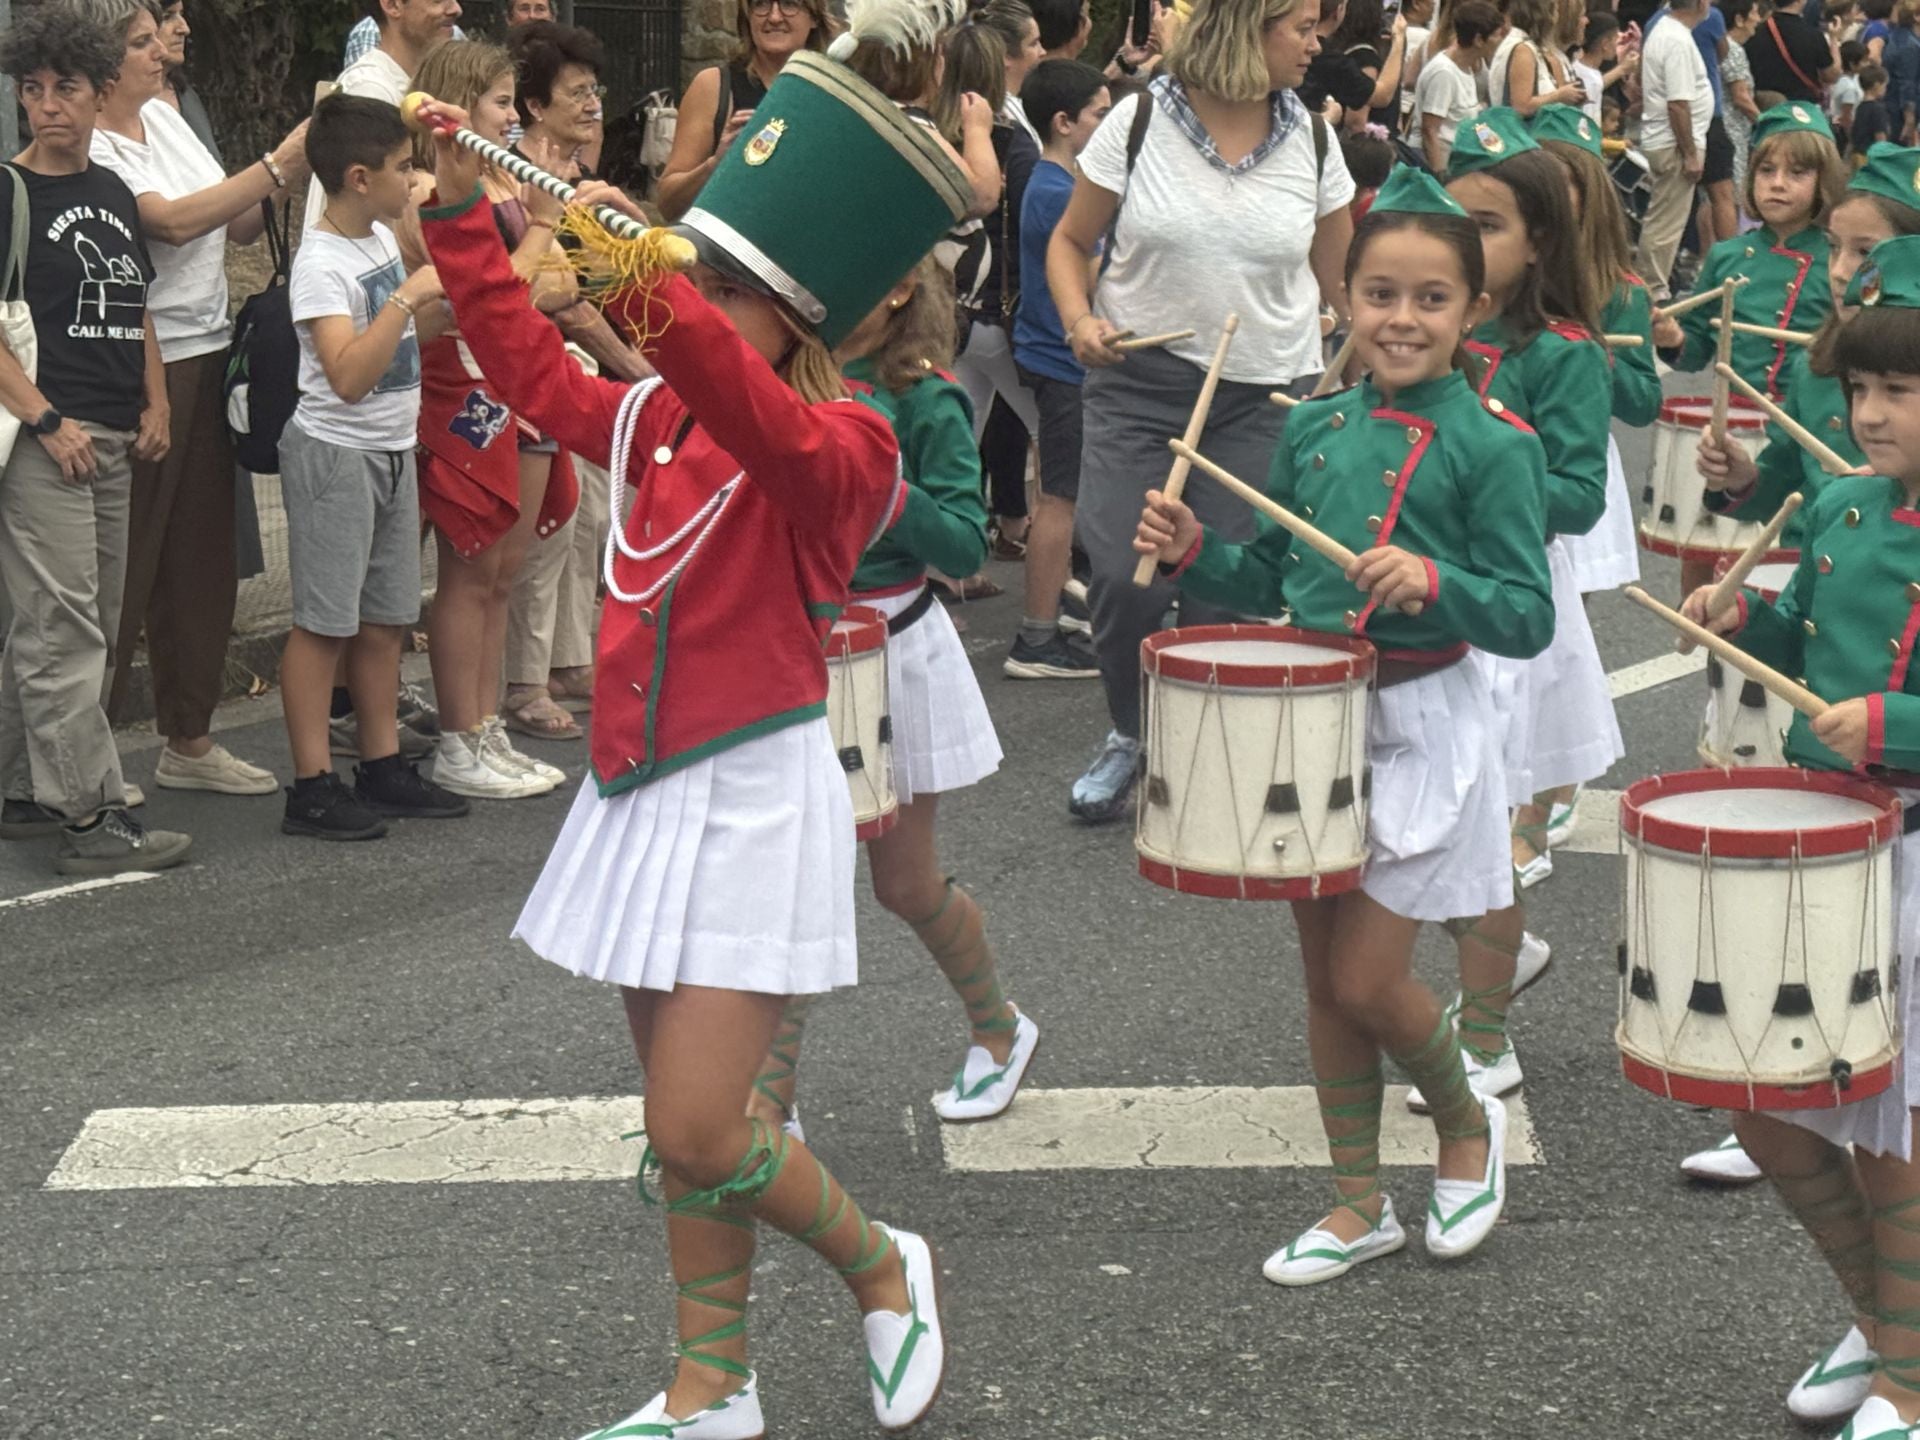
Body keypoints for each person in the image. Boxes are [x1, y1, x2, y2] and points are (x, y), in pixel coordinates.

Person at [417, 47, 974, 1435]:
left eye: (728, 292)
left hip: (751, 794)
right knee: (685, 1132)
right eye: (697, 281)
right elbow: (535, 372)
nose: (698, 309)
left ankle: (882, 1263)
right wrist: (455, 208)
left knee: (699, 1129)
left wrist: (642, 280)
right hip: (639, 791)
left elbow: (744, 404)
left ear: (796, 318)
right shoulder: (661, 415)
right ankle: (708, 1386)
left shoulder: (847, 443)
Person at [1133, 166, 1554, 1286]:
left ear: (1470, 312)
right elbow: (1267, 572)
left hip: (1422, 721)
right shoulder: (1315, 427)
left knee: (1371, 980)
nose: (1400, 319)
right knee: (1322, 982)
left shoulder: (1497, 444)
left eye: (1428, 299)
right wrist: (1193, 556)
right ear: (1345, 301)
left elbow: (1525, 612)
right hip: (1310, 722)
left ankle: (1466, 1127)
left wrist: (1435, 580)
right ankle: (1357, 1200)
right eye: (1378, 294)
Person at [1683, 152, 1920, 1421]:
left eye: (1903, 388)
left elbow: (1874, 697)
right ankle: (1880, 1316)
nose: (1874, 412)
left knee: (1899, 1142)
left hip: (1919, 847)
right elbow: (1792, 648)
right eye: (1865, 387)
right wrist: (1734, 614)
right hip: (1825, 837)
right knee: (1772, 1114)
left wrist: (1893, 719)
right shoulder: (1836, 509)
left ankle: (1911, 1368)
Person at [1046, 0, 1355, 825]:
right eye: (1301, 25)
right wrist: (1081, 322)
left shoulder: (1318, 141)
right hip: (1139, 384)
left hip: (1263, 395)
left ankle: (1199, 752)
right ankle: (1132, 731)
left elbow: (1346, 285)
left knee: (1220, 582)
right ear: (1247, 28)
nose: (1316, 43)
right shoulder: (1140, 119)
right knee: (1121, 575)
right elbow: (1071, 243)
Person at [751, 256, 1037, 1138]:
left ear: (901, 289)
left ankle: (1000, 1026)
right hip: (797, 646)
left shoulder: (927, 399)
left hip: (893, 649)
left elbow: (960, 545)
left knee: (904, 884)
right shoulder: (788, 375)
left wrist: (881, 484)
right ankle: (768, 1099)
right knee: (796, 883)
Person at [1429, 111, 1614, 1100]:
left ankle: (1488, 1038)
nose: (1470, 244)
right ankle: (1508, 951)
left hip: (1511, 614)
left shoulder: (1563, 353)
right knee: (1415, 822)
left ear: (1540, 240)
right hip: (1423, 610)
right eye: (1456, 223)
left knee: (1486, 824)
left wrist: (1489, 482)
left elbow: (1580, 492)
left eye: (1491, 226)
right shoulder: (1431, 335)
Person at [83, 0, 311, 800]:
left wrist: (309, 159)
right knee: (126, 564)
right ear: (101, 66)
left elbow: (238, 223)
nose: (161, 52)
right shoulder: (97, 144)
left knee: (200, 559)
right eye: (142, 43)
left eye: (159, 37)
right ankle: (84, 752)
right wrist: (281, 162)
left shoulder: (168, 118)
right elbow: (173, 224)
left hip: (210, 353)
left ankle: (190, 738)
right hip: (143, 368)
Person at [0, 3, 185, 874]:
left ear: (99, 90)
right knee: (66, 633)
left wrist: (158, 402)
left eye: (65, 87)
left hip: (116, 433)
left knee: (74, 626)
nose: (47, 105)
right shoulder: (9, 192)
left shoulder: (111, 190)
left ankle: (18, 786)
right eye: (31, 90)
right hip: (50, 442)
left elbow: (135, 304)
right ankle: (90, 817)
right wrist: (44, 420)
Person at [278, 96, 466, 840]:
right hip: (336, 453)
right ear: (359, 178)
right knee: (324, 623)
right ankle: (312, 784)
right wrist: (408, 302)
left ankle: (382, 764)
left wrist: (428, 314)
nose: (411, 178)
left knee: (387, 617)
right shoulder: (320, 262)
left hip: (390, 446)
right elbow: (348, 375)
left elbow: (391, 344)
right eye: (401, 167)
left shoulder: (381, 240)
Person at [401, 40, 577, 798]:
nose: (513, 116)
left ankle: (486, 728)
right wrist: (538, 235)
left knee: (505, 569)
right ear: (459, 103)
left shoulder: (506, 177)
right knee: (469, 566)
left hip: (522, 381)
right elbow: (481, 294)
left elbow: (557, 284)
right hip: (466, 389)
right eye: (501, 102)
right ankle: (457, 736)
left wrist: (536, 259)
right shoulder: (423, 186)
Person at [1006, 58, 1107, 681]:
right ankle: (1035, 639)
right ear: (1066, 122)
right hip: (1062, 361)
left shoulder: (1053, 185)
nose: (1109, 123)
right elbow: (1096, 284)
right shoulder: (1057, 192)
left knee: (1064, 490)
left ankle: (1060, 610)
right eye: (1100, 113)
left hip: (1053, 356)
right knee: (1059, 500)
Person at [1533, 104, 1655, 599]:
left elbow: (1643, 402)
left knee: (1567, 612)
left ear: (1589, 196)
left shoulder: (1621, 291)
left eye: (1560, 184)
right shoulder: (1499, 276)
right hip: (1501, 453)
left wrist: (1594, 357)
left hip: (1572, 456)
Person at [655, 0, 830, 221]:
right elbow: (667, 204)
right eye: (761, 4)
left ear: (815, 17)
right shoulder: (714, 86)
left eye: (789, 4)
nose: (774, 17)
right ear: (747, 18)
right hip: (726, 250)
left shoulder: (832, 95)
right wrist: (716, 164)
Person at [1637, 0, 1717, 298]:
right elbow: (1678, 104)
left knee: (1664, 220)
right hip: (1675, 144)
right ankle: (1651, 291)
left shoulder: (1664, 30)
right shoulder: (1677, 40)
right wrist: (1690, 153)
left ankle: (1653, 286)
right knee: (1665, 224)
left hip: (1668, 140)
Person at [1415, 0, 1500, 170]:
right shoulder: (1444, 73)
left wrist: (1495, 146)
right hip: (1442, 166)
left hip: (1462, 162)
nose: (1500, 41)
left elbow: (1468, 118)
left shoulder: (1467, 67)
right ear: (1478, 40)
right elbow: (1430, 131)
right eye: (1496, 35)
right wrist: (1441, 178)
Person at [1490, 0, 1585, 113]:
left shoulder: (1528, 46)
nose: (1556, 18)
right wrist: (1558, 95)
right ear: (1543, 14)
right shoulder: (1521, 49)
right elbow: (1521, 107)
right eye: (1555, 10)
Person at [151, 0, 215, 157]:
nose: (184, 29)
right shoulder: (121, 107)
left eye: (182, 14)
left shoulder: (186, 96)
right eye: (167, 17)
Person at [1746, 0, 1841, 103]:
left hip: (1763, 106)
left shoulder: (1754, 32)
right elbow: (1831, 76)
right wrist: (1834, 38)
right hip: (1801, 108)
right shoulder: (1813, 35)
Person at [1722, 0, 1764, 200]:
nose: (1758, 19)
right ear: (1739, 19)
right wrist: (1765, 123)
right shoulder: (1732, 50)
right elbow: (1740, 96)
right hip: (1732, 132)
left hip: (1729, 130)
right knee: (1732, 196)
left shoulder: (1726, 47)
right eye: (1755, 13)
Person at [342, 3, 465, 67]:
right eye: (438, 0)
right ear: (393, 5)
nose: (457, 9)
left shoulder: (454, 35)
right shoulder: (369, 89)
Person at [1835, 37, 1870, 142]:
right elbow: (1846, 118)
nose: (1867, 64)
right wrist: (1852, 141)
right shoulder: (1849, 88)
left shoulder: (1848, 79)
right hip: (1843, 133)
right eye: (1864, 61)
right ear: (1852, 64)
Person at [1857, 61, 1896, 148]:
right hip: (1872, 156)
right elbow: (1880, 137)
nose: (1885, 89)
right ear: (1877, 85)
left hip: (1859, 154)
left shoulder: (1860, 107)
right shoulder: (1878, 109)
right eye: (1885, 85)